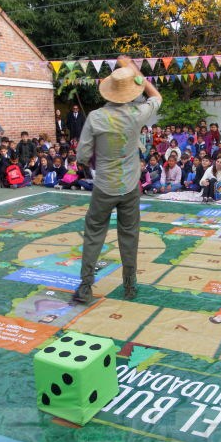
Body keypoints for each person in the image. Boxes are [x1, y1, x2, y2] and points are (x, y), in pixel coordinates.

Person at [73, 56, 161, 304]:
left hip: (104, 186)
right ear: (131, 91)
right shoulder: (137, 114)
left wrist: (90, 160)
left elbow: (82, 155)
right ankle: (130, 285)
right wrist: (136, 74)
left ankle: (86, 287)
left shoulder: (95, 117)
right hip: (130, 186)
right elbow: (156, 97)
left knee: (94, 234)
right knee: (129, 236)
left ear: (109, 90)